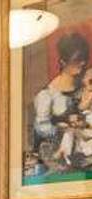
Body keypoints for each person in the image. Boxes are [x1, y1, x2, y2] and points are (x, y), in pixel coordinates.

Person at [33, 32, 90, 167]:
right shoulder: (47, 95)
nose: (82, 63)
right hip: (60, 155)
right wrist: (64, 128)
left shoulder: (86, 85)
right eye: (77, 60)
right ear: (63, 62)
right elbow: (41, 128)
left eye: (84, 58)